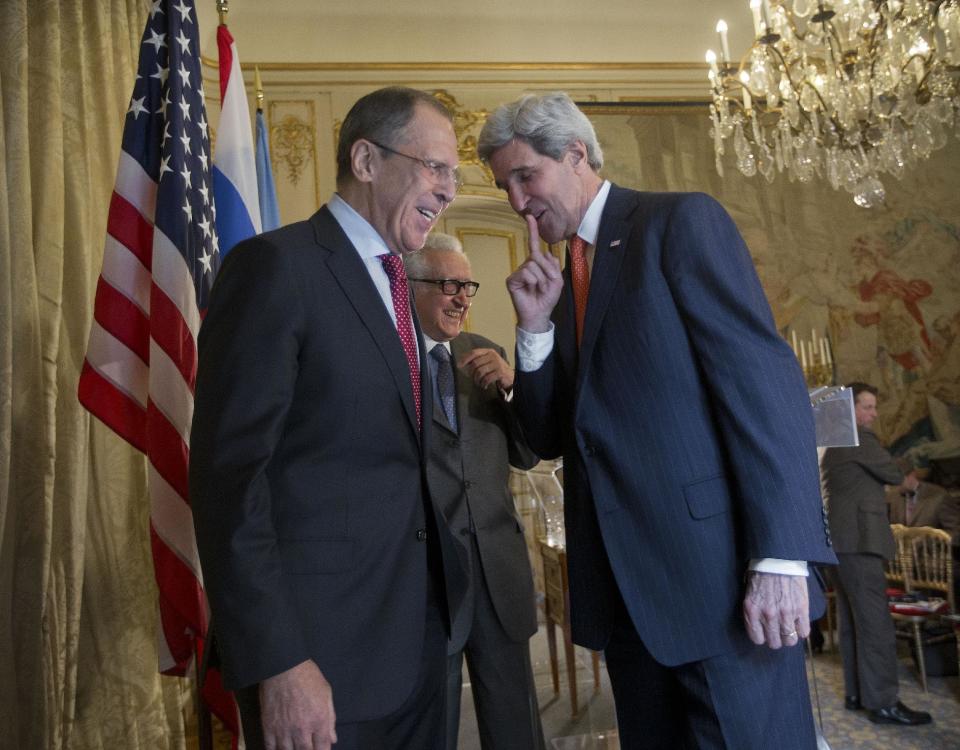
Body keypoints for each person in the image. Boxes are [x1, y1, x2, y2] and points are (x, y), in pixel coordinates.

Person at [477, 92, 837, 749]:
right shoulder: (563, 285)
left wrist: (783, 558)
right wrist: (532, 331)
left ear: (576, 154)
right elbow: (546, 437)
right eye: (505, 186)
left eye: (525, 176)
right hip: (628, 604)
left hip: (723, 588)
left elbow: (764, 385)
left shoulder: (676, 223)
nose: (516, 201)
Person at [190, 86, 468, 750]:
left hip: (423, 650)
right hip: (320, 662)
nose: (449, 189)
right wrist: (279, 660)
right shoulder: (275, 268)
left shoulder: (402, 285)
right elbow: (231, 481)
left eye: (453, 175)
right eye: (434, 167)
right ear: (366, 160)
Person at [405, 233, 545, 750]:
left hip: (496, 576)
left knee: (517, 731)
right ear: (409, 286)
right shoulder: (386, 361)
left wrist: (512, 388)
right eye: (448, 284)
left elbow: (528, 454)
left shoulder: (487, 354)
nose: (462, 297)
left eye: (467, 285)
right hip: (426, 581)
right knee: (431, 729)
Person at [821, 382, 932, 725]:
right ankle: (883, 702)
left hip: (840, 542)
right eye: (867, 407)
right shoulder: (859, 438)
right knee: (876, 625)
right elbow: (895, 473)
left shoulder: (838, 441)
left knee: (854, 622)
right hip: (859, 540)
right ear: (850, 409)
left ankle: (858, 694)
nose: (874, 414)